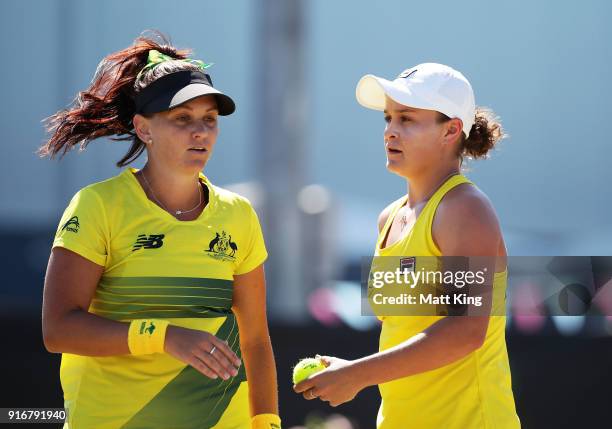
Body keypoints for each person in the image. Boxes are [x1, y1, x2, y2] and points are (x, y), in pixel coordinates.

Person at [40, 33, 280, 429]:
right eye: (182, 119)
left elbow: (255, 339)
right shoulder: (97, 205)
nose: (199, 132)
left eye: (209, 121)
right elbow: (59, 329)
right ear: (143, 128)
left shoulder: (239, 214)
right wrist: (164, 336)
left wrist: (267, 422)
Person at [294, 63, 521, 428]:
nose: (390, 132)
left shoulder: (466, 208)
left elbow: (466, 330)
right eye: (387, 119)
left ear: (451, 130)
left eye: (407, 119)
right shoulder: (389, 218)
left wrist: (356, 374)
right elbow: (403, 333)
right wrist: (349, 372)